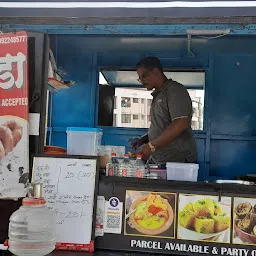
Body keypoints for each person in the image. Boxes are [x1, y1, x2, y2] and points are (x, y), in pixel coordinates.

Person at [130, 57, 197, 164]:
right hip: (161, 159)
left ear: (155, 71)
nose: (142, 81)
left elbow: (180, 123)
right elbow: (162, 126)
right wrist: (144, 139)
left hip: (177, 161)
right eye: (140, 78)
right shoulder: (158, 94)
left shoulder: (174, 90)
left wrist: (151, 146)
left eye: (144, 76)